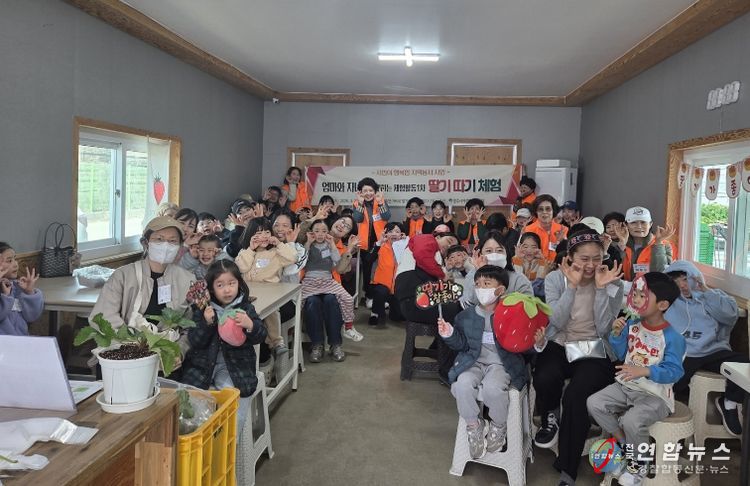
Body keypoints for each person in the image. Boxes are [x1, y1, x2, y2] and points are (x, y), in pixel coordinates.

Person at [532, 229, 624, 486]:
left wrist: (602, 290)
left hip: (594, 348)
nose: (591, 265)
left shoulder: (613, 282)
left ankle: (568, 469)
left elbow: (604, 327)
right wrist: (571, 287)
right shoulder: (555, 279)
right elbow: (556, 321)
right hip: (561, 342)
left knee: (576, 396)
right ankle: (551, 414)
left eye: (597, 258)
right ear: (570, 257)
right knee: (545, 376)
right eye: (584, 258)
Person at [587, 272, 685, 486]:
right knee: (594, 403)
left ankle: (639, 465)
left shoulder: (673, 337)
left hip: (655, 395)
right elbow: (622, 353)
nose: (636, 299)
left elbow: (674, 372)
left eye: (643, 296)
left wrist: (646, 371)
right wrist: (616, 335)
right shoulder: (633, 325)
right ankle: (625, 445)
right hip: (626, 386)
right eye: (635, 294)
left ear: (662, 305)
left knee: (631, 420)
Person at [438, 265, 540, 459]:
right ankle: (473, 425)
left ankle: (499, 425)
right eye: (478, 284)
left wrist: (538, 343)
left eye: (487, 283)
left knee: (494, 389)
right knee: (462, 385)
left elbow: (523, 346)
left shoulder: (511, 314)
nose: (481, 288)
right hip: (473, 362)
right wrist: (449, 333)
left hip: (501, 364)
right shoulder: (466, 315)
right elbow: (461, 344)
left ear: (500, 289)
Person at [181, 260, 267, 435]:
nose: (227, 290)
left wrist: (250, 325)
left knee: (234, 398)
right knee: (189, 402)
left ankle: (229, 440)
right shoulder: (203, 308)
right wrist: (206, 323)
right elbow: (195, 341)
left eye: (231, 283)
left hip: (235, 366)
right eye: (220, 285)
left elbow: (261, 336)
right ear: (212, 289)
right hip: (202, 365)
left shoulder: (245, 308)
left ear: (239, 284)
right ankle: (199, 439)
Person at [90, 217, 194, 355]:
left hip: (167, 353)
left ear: (180, 246)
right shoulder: (123, 276)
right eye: (159, 239)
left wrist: (178, 352)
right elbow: (102, 317)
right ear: (145, 243)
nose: (166, 245)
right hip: (123, 351)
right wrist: (132, 345)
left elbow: (190, 326)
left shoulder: (187, 280)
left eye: (172, 241)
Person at [665, 260, 745, 436]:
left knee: (744, 364)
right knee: (670, 382)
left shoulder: (713, 295)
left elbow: (730, 316)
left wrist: (706, 292)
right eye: (677, 282)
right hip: (686, 353)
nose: (683, 286)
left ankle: (729, 403)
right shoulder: (668, 301)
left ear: (695, 277)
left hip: (714, 351)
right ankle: (666, 418)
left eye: (685, 279)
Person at [235, 218, 298, 356]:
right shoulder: (245, 252)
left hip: (269, 293)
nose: (263, 236)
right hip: (249, 293)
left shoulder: (276, 253)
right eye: (258, 233)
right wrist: (250, 249)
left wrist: (279, 244)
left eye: (267, 232)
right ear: (250, 235)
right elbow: (242, 267)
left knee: (272, 312)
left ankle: (276, 342)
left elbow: (293, 258)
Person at [303, 219, 357, 360]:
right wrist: (309, 239)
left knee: (332, 301)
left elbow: (340, 268)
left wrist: (347, 250)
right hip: (310, 282)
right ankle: (317, 345)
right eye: (342, 221)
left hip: (329, 283)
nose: (342, 226)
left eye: (347, 226)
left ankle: (336, 344)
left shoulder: (338, 246)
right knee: (312, 302)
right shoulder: (308, 243)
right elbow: (301, 257)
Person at [461, 231, 533, 308]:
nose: (494, 255)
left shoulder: (519, 280)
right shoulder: (472, 275)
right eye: (489, 251)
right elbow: (470, 302)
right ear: (480, 254)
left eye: (499, 251)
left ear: (506, 253)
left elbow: (529, 307)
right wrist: (481, 273)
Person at [351, 177, 391, 303]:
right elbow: (357, 219)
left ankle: (382, 296)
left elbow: (386, 217)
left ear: (375, 191)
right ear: (360, 192)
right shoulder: (357, 203)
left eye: (371, 190)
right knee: (367, 271)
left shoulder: (381, 201)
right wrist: (360, 203)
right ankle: (369, 296)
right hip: (365, 244)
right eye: (365, 191)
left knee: (382, 268)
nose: (368, 193)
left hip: (381, 241)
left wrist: (380, 203)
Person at [617, 207, 677, 281]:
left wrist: (658, 243)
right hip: (626, 287)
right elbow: (616, 273)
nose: (639, 226)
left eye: (643, 222)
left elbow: (661, 273)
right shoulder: (621, 244)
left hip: (653, 287)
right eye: (633, 222)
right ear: (626, 225)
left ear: (650, 224)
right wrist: (622, 247)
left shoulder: (665, 245)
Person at [369, 222, 407, 327]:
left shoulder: (406, 248)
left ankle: (392, 311)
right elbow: (368, 259)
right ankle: (375, 313)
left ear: (402, 234)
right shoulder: (380, 246)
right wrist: (379, 242)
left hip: (397, 287)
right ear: (385, 234)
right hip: (380, 284)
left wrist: (406, 242)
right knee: (381, 292)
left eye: (397, 231)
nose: (394, 234)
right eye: (390, 231)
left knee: (397, 317)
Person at [0, 242, 42, 335]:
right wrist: (5, 297)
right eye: (9, 261)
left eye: (15, 259)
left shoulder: (17, 287)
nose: (15, 264)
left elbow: (32, 317)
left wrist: (29, 292)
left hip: (22, 340)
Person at [524, 194, 568, 261]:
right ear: (536, 212)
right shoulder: (528, 230)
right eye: (540, 209)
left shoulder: (563, 229)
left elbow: (567, 254)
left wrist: (561, 242)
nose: (544, 212)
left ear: (553, 211)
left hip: (557, 265)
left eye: (548, 209)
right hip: (536, 265)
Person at [512, 232, 551, 298]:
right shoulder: (514, 260)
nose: (529, 250)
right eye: (525, 247)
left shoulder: (543, 263)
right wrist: (518, 258)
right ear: (520, 247)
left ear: (539, 248)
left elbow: (539, 286)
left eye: (533, 247)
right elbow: (517, 282)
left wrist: (542, 261)